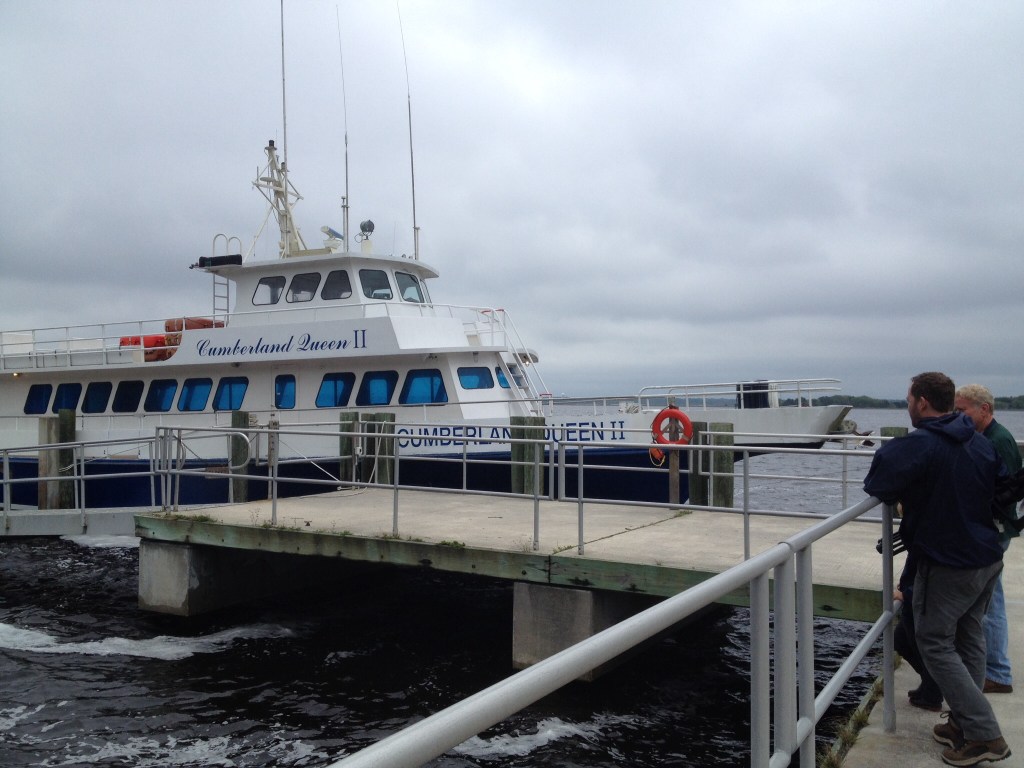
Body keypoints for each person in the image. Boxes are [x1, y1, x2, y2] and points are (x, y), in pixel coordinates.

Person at [864, 372, 1010, 766]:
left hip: (950, 561)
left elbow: (878, 480)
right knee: (969, 637)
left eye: (909, 399)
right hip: (987, 556)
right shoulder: (977, 441)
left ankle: (984, 735)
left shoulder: (921, 444)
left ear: (922, 402)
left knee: (934, 641)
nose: (907, 405)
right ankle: (963, 724)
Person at [954, 384, 1022, 695]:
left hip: (994, 532)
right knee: (985, 602)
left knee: (991, 604)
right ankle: (989, 667)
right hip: (989, 530)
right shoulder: (985, 437)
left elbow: (1005, 494)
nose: (958, 415)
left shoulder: (999, 441)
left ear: (985, 410)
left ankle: (997, 673)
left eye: (963, 409)